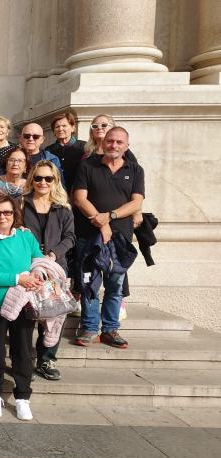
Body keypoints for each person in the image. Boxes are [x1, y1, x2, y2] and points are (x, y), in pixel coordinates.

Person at [72, 127, 144, 349]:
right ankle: (90, 328)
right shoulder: (88, 165)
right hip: (88, 235)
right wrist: (101, 223)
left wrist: (109, 217)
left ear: (126, 145)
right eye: (110, 141)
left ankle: (111, 329)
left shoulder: (135, 170)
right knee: (89, 283)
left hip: (121, 237)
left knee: (115, 284)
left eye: (119, 142)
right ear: (104, 143)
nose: (113, 145)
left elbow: (136, 202)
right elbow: (79, 198)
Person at [0, 194, 43, 421]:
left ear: (15, 215)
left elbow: (38, 261)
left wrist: (36, 274)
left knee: (22, 351)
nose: (3, 216)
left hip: (23, 303)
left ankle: (23, 396)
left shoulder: (26, 237)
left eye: (7, 212)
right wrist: (18, 278)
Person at [22, 161, 75, 380]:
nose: (43, 182)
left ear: (55, 181)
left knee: (54, 312)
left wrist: (53, 254)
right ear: (32, 179)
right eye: (38, 178)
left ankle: (46, 359)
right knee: (27, 316)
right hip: (27, 266)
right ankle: (24, 362)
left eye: (48, 178)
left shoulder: (62, 208)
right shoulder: (20, 204)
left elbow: (70, 237)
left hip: (55, 268)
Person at [45, 111, 86, 191]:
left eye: (64, 126)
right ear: (54, 131)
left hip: (78, 191)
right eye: (57, 127)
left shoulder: (84, 147)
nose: (60, 129)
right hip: (55, 192)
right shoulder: (48, 151)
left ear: (73, 128)